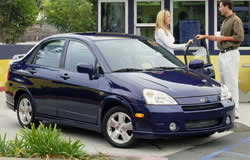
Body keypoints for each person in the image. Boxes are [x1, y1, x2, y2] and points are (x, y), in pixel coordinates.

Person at [196, 0, 244, 119]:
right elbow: (219, 38)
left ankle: (235, 111)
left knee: (231, 83)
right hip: (222, 54)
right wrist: (205, 37)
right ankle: (227, 109)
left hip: (231, 54)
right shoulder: (225, 21)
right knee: (224, 84)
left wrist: (223, 38)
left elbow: (239, 37)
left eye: (220, 6)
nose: (219, 9)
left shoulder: (236, 20)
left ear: (227, 6)